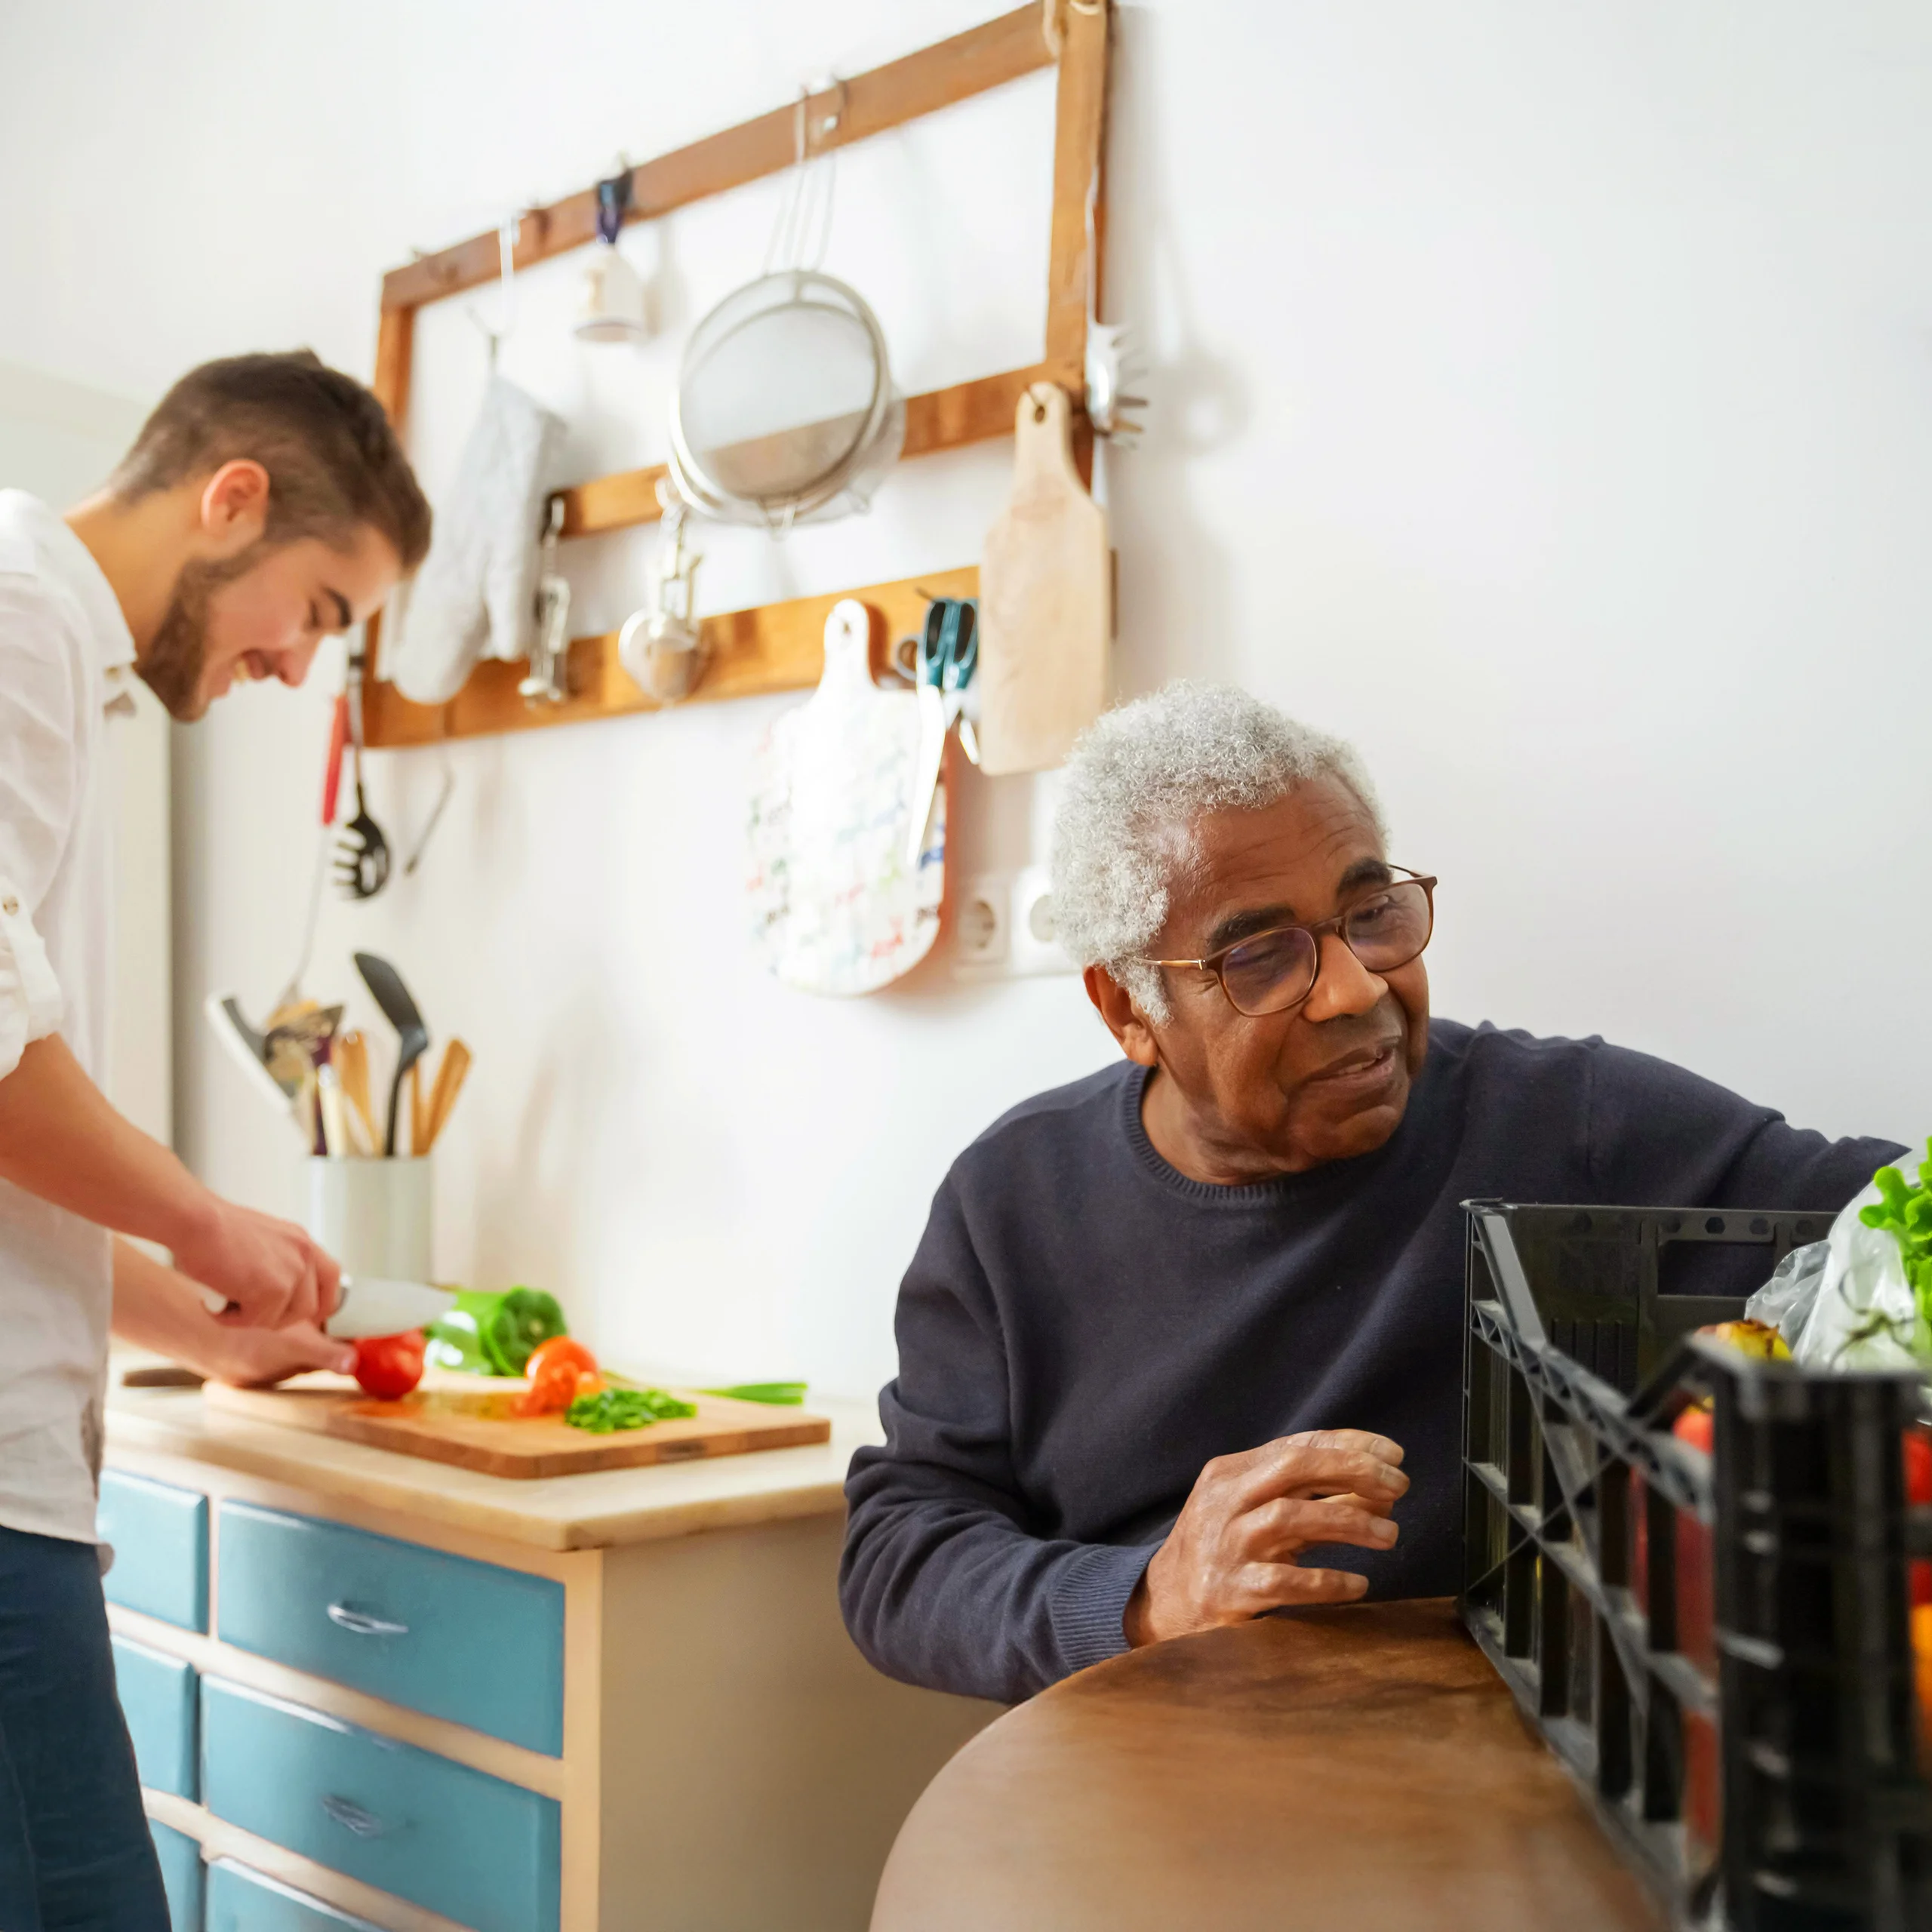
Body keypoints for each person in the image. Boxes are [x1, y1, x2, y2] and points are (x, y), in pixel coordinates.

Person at [840, 681, 1900, 1706]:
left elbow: (1887, 1216)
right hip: (1146, 1788)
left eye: (1371, 912)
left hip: (1484, 1785)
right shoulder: (1012, 1204)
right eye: (1260, 958)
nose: (1355, 989)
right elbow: (902, 1551)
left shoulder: (1564, 1123)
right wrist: (1149, 1597)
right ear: (1129, 1007)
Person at [0, 351, 430, 1930]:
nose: (301, 663)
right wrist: (207, 1226)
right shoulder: (19, 617)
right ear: (231, 497)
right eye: (315, 606)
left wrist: (202, 1326)